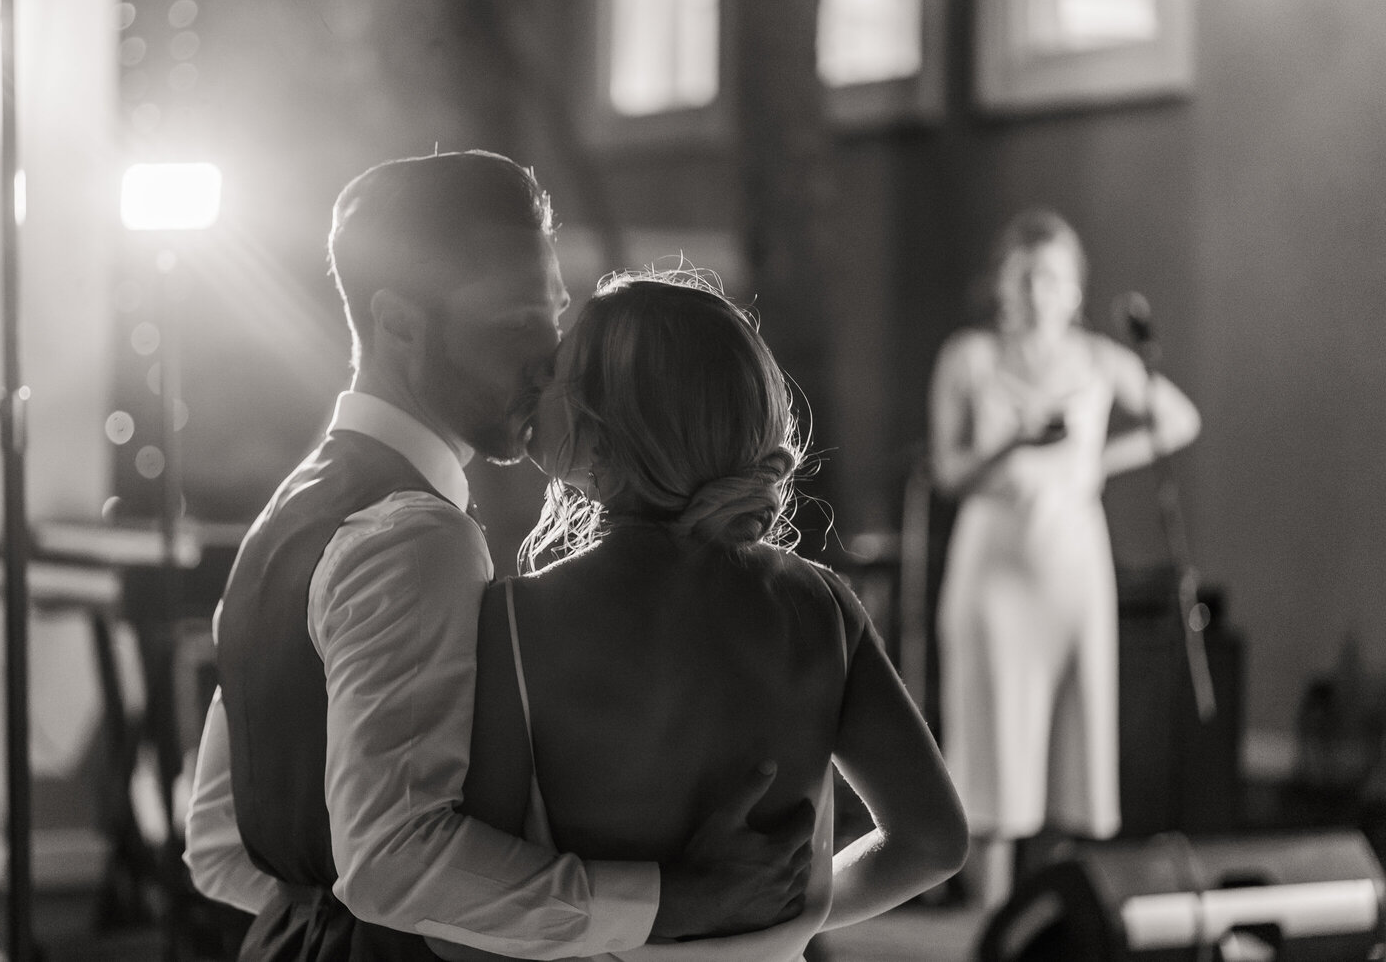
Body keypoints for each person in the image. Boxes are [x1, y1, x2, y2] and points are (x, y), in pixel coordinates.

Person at [188, 150, 812, 962]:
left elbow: (215, 841)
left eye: (552, 316)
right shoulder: (420, 535)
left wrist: (315, 917)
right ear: (400, 322)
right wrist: (670, 901)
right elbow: (391, 861)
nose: (552, 357)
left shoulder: (287, 514)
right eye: (517, 322)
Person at [423, 271, 968, 962]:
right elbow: (934, 842)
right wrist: (791, 912)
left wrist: (652, 914)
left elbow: (463, 932)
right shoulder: (820, 605)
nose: (537, 381)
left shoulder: (514, 623)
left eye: (559, 370)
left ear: (603, 430)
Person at [927, 208, 1201, 907]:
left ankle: (1049, 919)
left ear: (1075, 288)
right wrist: (1016, 443)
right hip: (994, 563)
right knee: (994, 755)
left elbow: (1180, 418)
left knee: (1067, 757)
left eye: (1052, 276)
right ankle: (988, 924)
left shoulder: (1100, 359)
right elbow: (949, 472)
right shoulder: (969, 356)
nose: (1038, 290)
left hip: (1072, 561)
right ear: (1003, 285)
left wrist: (1096, 461)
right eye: (1025, 276)